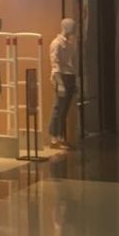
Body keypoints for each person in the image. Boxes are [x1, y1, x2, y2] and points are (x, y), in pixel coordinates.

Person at [48, 19, 78, 150]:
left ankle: (60, 137)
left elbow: (71, 63)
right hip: (62, 77)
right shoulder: (57, 43)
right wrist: (60, 83)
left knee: (64, 110)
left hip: (69, 76)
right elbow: (55, 64)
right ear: (66, 27)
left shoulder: (69, 44)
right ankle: (54, 138)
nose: (75, 29)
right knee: (58, 108)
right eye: (73, 26)